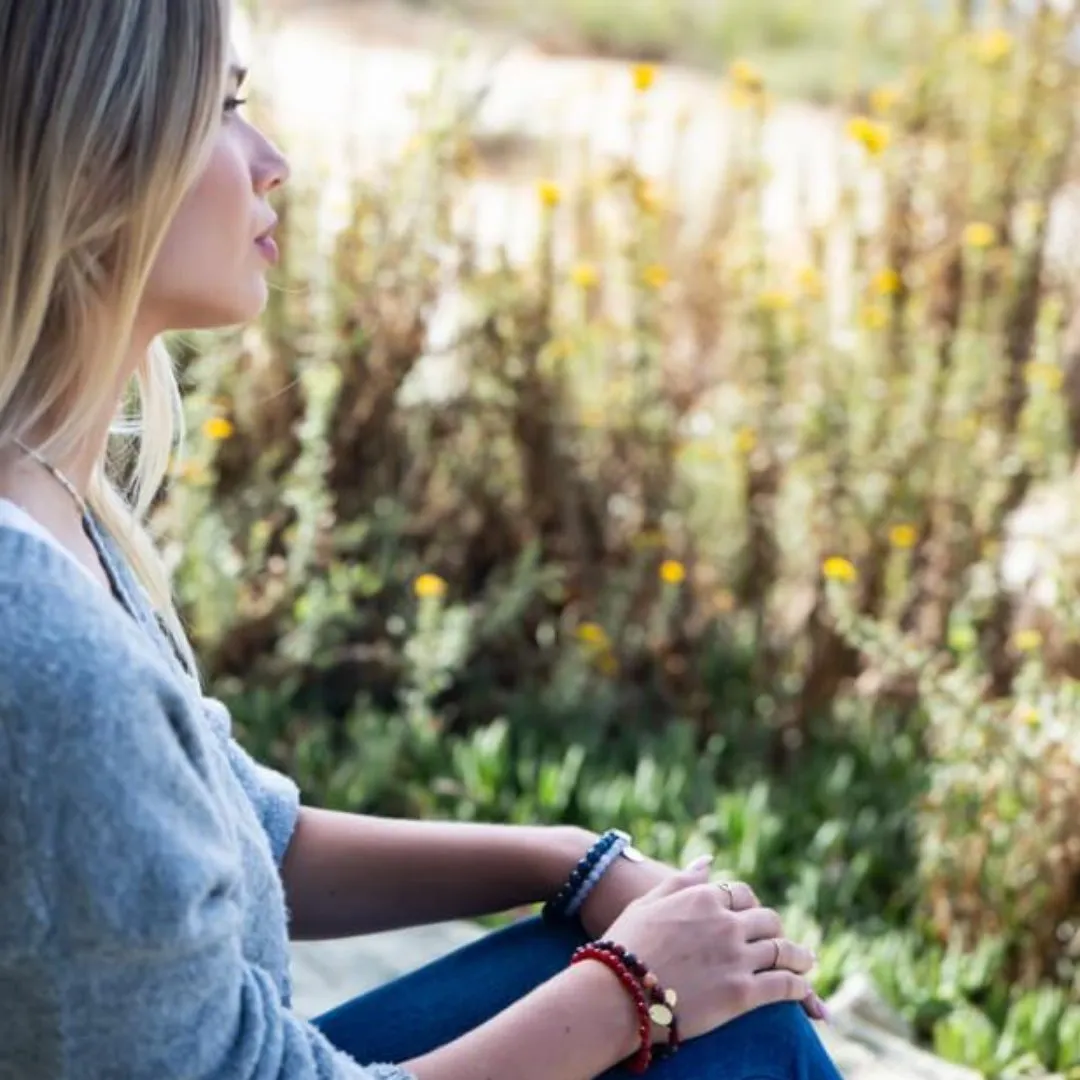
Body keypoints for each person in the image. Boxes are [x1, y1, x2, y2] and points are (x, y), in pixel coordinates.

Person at [0, 3, 845, 1078]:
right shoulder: (38, 642)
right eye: (223, 109)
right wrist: (635, 988)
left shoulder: (49, 505)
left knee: (708, 990)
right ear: (89, 153)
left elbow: (247, 839)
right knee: (727, 1030)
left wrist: (579, 864)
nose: (275, 162)